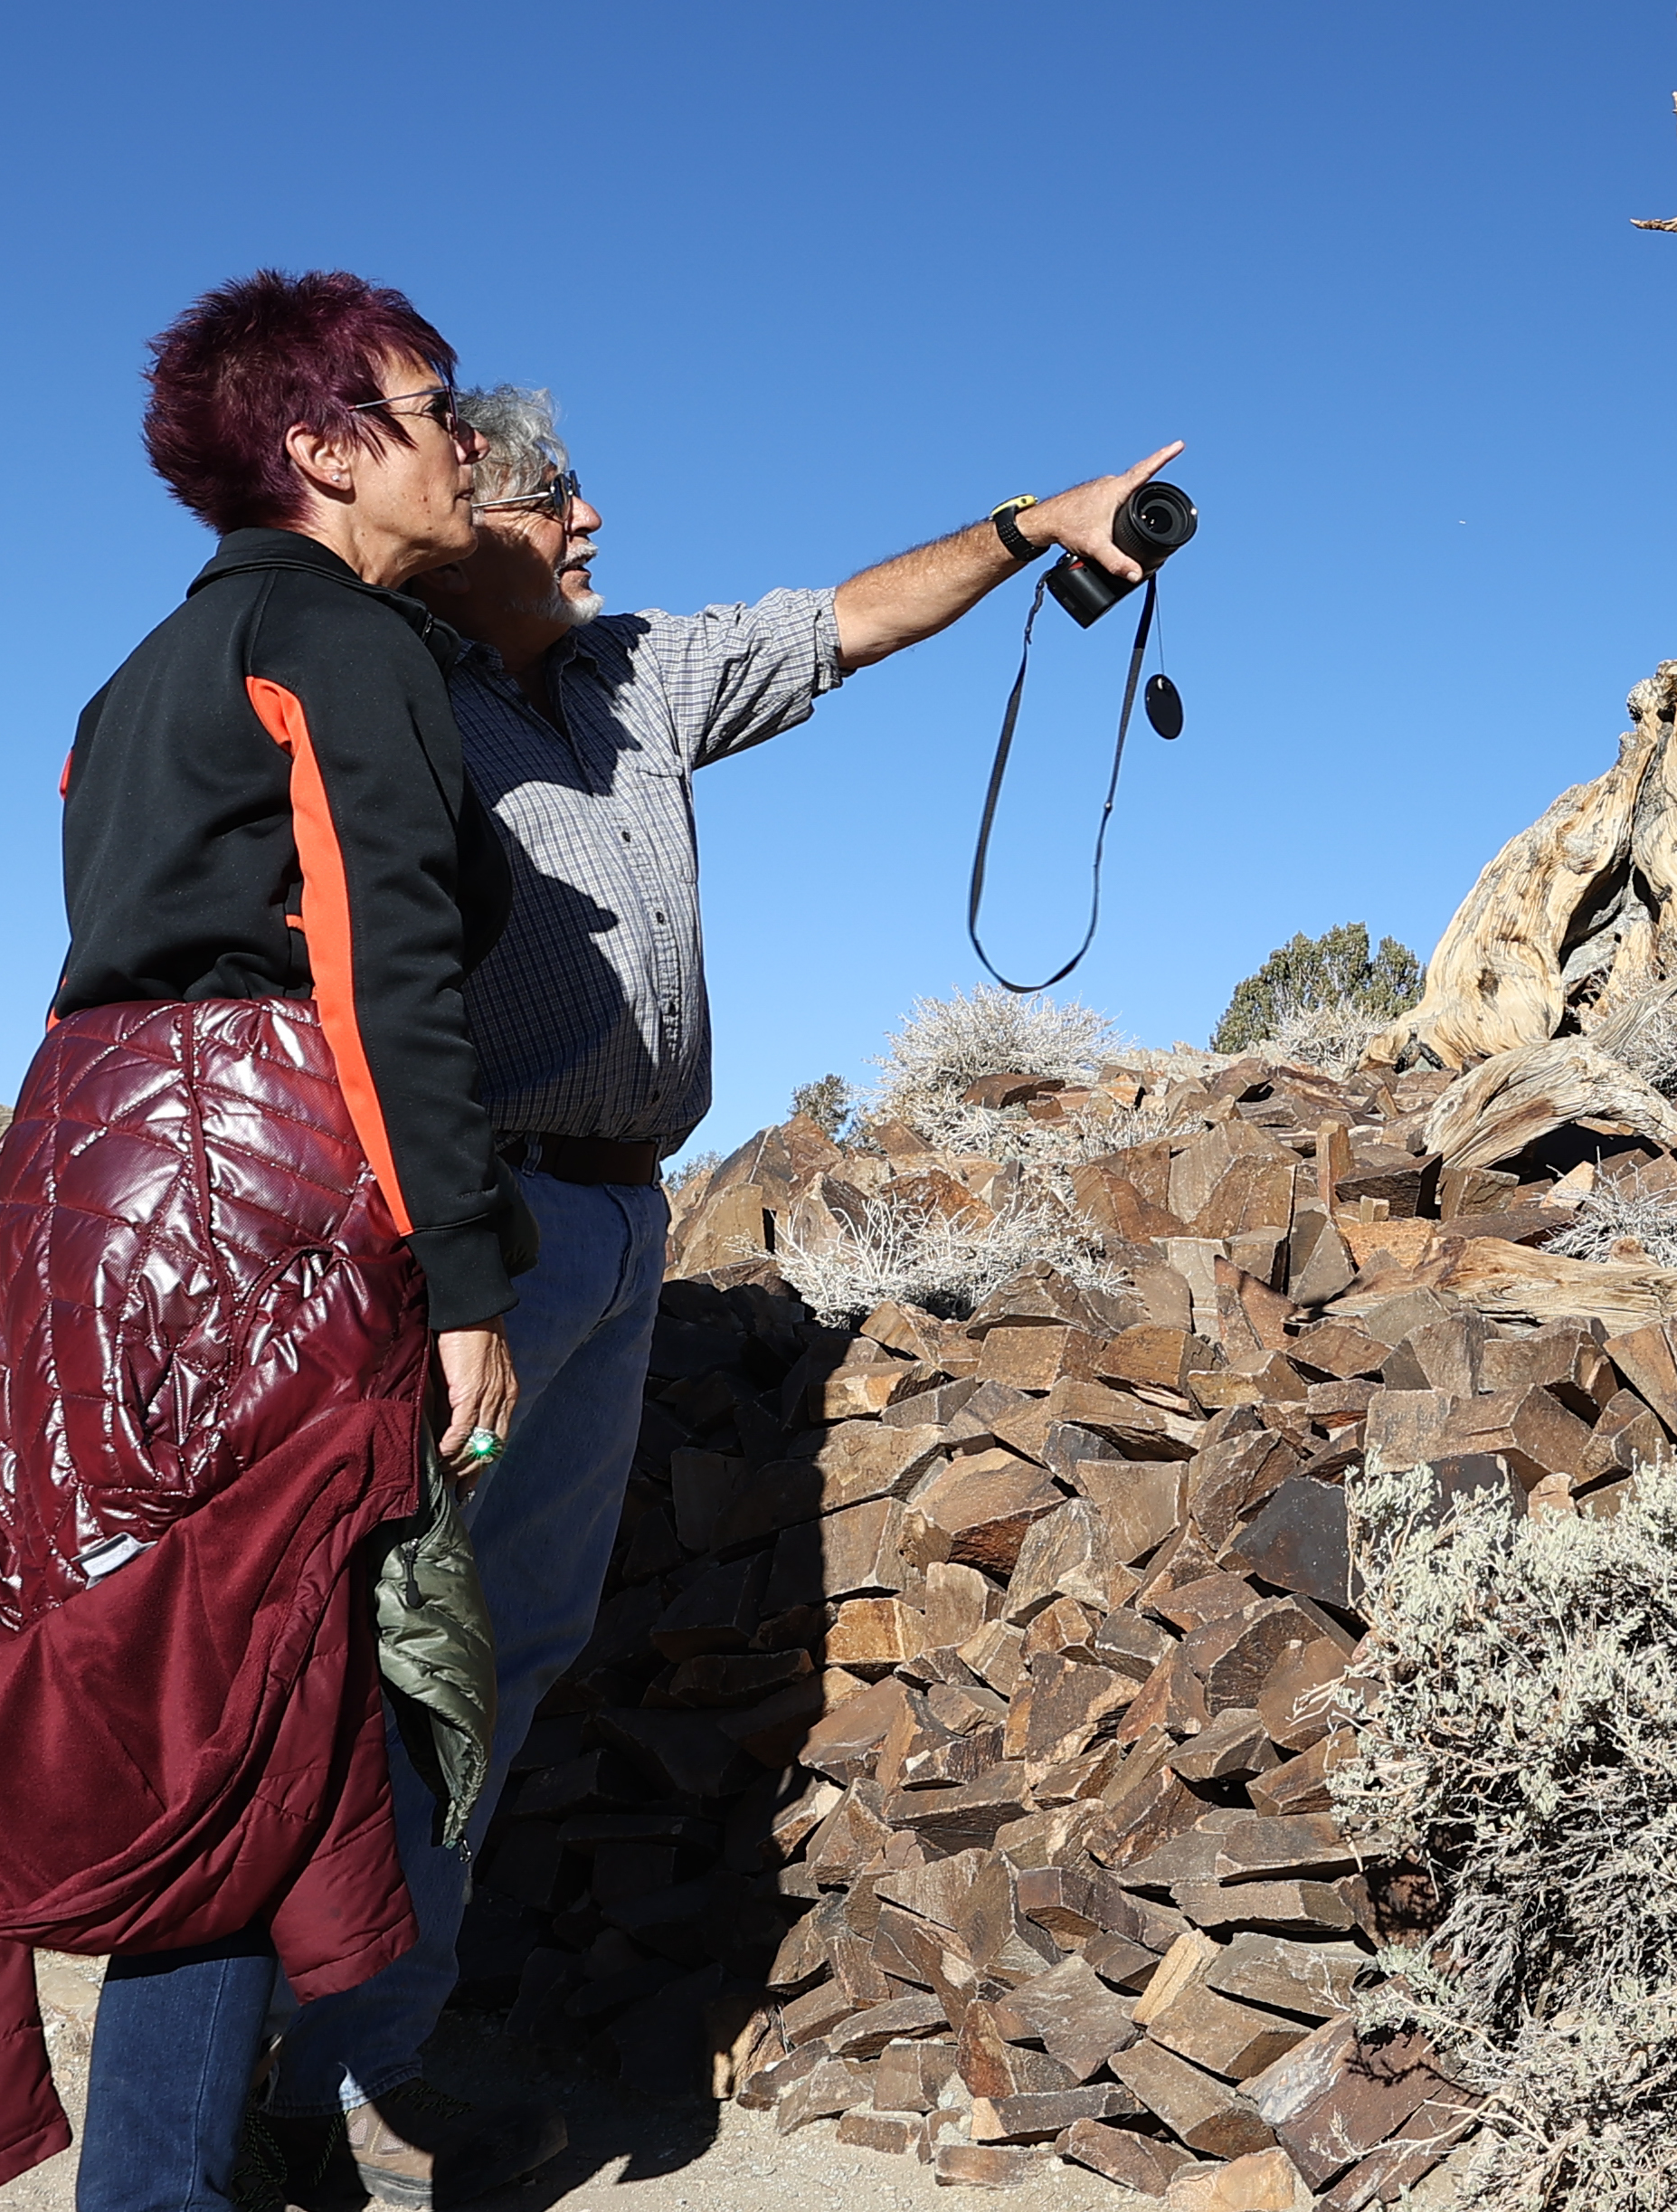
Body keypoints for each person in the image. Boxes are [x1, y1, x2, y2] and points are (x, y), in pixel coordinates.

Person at [269, 388, 1183, 2201]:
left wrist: (1034, 525)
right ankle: (300, 2073)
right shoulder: (397, 693)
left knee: (512, 1647)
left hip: (625, 1224)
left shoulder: (636, 677)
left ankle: (384, 2054)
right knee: (388, 1646)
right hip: (476, 1230)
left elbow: (850, 620)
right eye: (554, 495)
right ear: (461, 511)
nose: (591, 520)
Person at [0, 271, 532, 2212]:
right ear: (322, 449)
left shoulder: (132, 678)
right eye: (434, 405)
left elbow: (112, 960)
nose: (471, 439)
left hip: (61, 1179)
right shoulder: (342, 641)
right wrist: (465, 1277)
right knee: (231, 1705)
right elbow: (384, 972)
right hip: (245, 1194)